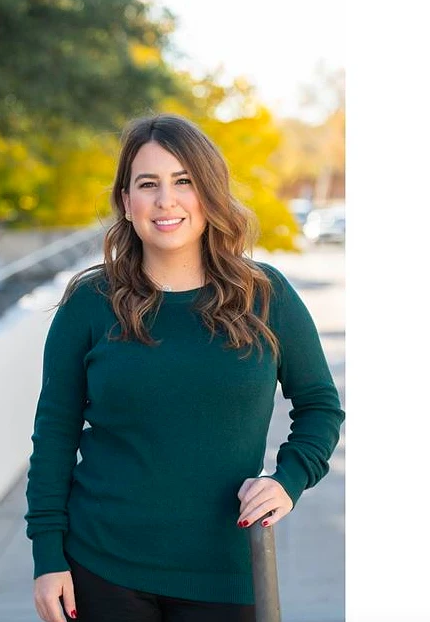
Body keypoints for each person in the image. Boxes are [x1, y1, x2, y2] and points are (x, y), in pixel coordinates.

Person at [24, 113, 344, 622]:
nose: (165, 200)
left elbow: (320, 406)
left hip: (225, 568)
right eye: (147, 184)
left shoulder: (265, 295)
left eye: (184, 182)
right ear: (126, 203)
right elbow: (55, 433)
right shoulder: (91, 303)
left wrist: (288, 479)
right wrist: (47, 556)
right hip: (101, 566)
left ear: (209, 195)